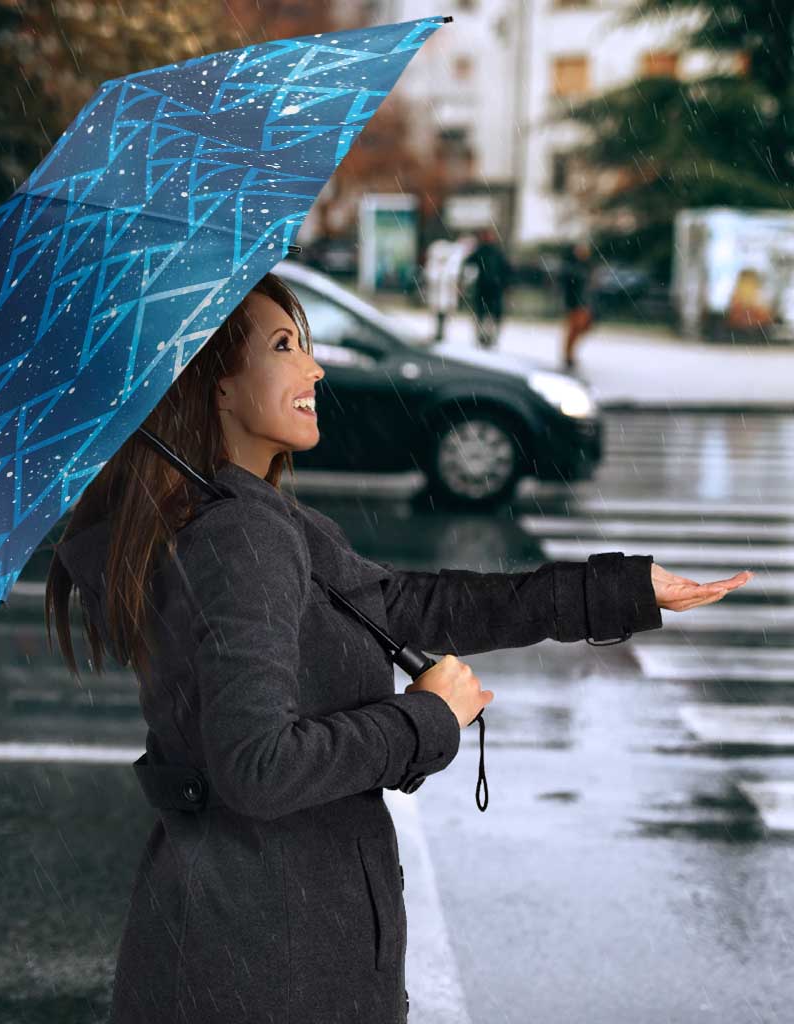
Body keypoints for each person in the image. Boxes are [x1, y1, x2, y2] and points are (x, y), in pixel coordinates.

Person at [46, 272, 752, 1024]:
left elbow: (414, 606)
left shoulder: (249, 520)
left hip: (247, 944)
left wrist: (619, 590)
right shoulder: (240, 537)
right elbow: (257, 767)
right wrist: (425, 719)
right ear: (216, 387)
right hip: (267, 963)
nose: (314, 368)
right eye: (285, 346)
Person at [462, 226, 512, 349]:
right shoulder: (482, 251)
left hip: (493, 288)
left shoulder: (495, 252)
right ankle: (483, 337)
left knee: (490, 315)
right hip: (485, 288)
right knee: (483, 314)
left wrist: (505, 284)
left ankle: (489, 337)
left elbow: (506, 270)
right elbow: (468, 264)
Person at [560, 239, 596, 370]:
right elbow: (569, 286)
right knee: (574, 329)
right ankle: (568, 355)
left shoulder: (587, 266)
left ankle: (569, 354)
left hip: (584, 303)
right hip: (575, 303)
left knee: (582, 328)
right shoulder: (572, 267)